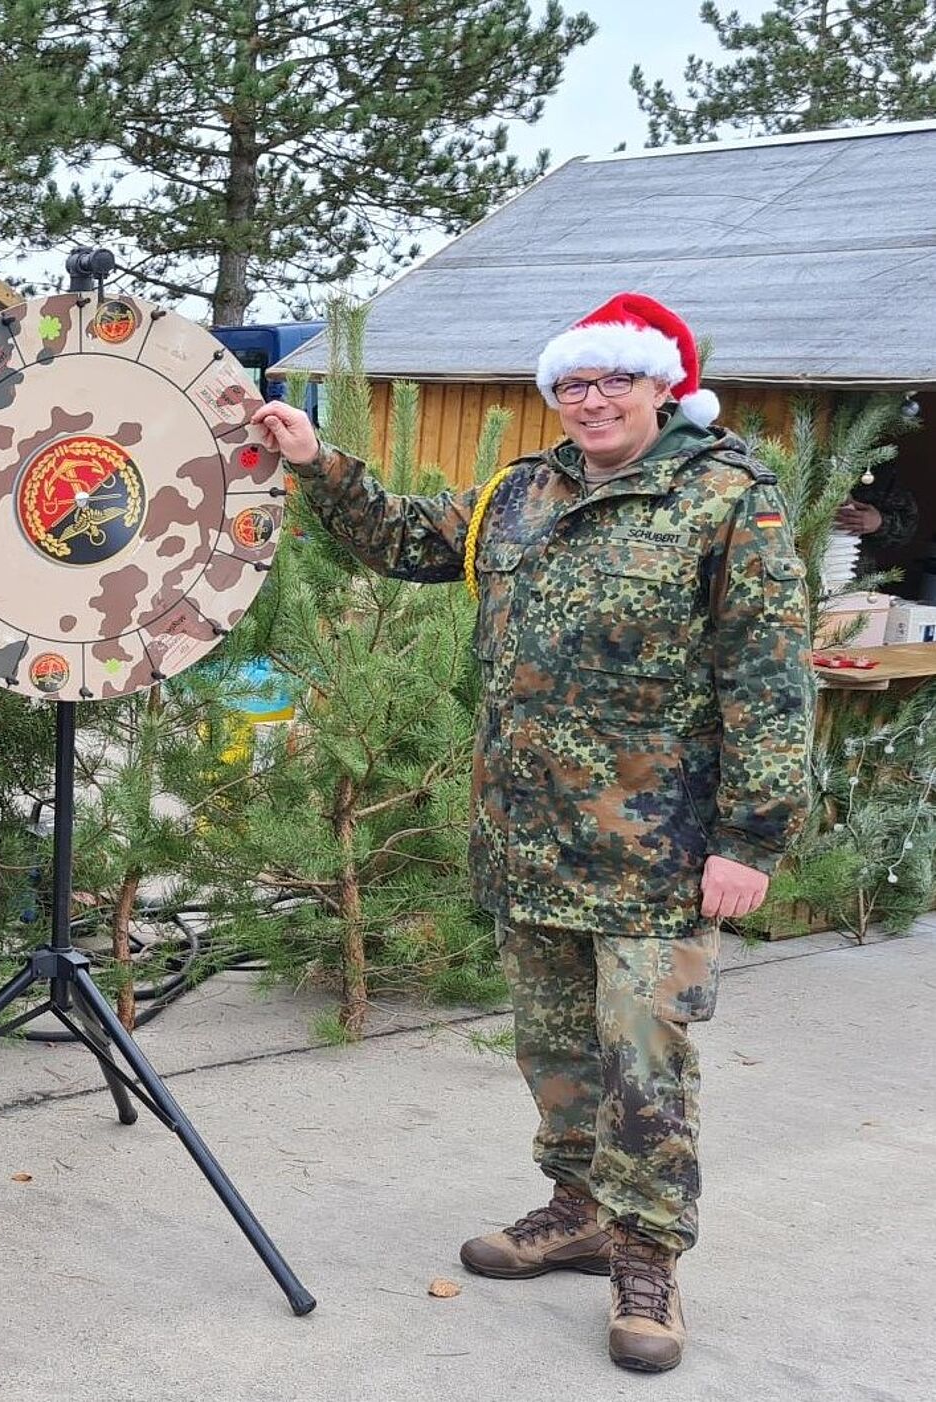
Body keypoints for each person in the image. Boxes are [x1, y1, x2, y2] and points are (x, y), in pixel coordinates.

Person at [252, 293, 811, 1374]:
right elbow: (410, 537)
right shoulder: (523, 492)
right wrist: (317, 460)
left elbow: (770, 678)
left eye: (614, 379)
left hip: (659, 850)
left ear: (662, 387)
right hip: (531, 839)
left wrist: (752, 835)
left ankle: (647, 1257)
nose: (591, 399)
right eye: (574, 381)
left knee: (646, 1056)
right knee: (555, 1048)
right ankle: (578, 1208)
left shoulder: (727, 500)